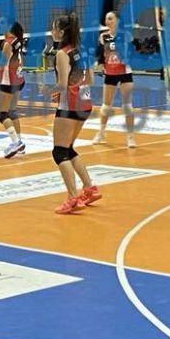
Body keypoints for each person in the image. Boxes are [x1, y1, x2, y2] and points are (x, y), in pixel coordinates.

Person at [50, 13, 101, 214]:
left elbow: (62, 84)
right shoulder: (82, 50)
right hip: (85, 104)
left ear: (62, 32)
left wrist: (50, 91)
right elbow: (90, 79)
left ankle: (73, 198)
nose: (52, 31)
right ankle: (90, 189)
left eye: (54, 28)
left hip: (69, 106)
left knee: (59, 152)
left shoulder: (62, 54)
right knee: (68, 149)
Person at [92, 12, 138, 148]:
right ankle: (101, 132)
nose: (107, 21)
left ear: (117, 20)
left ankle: (130, 136)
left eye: (110, 18)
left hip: (125, 72)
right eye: (106, 19)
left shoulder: (126, 35)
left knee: (127, 106)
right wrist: (98, 64)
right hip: (110, 73)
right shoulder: (103, 36)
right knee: (106, 106)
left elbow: (133, 52)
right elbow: (100, 55)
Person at [0, 21, 27, 158]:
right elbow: (20, 60)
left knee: (2, 114)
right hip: (18, 79)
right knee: (12, 112)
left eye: (2, 22)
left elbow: (2, 64)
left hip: (8, 81)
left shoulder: (7, 44)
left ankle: (16, 142)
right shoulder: (16, 40)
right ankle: (19, 143)